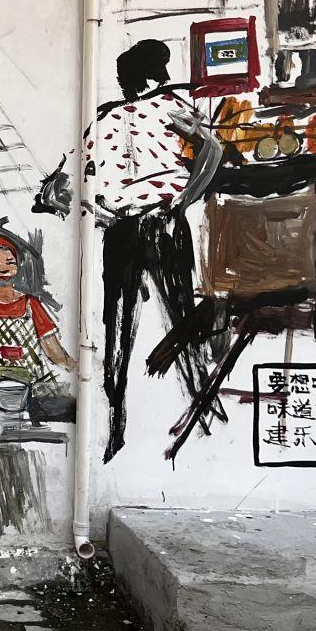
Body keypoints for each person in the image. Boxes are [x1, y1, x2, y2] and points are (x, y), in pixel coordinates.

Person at [82, 40, 221, 462]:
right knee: (147, 319)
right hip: (144, 223)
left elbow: (211, 151)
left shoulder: (130, 113)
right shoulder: (135, 112)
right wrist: (184, 199)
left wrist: (181, 200)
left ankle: (172, 412)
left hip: (140, 223)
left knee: (143, 321)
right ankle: (134, 419)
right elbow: (213, 149)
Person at [0, 234, 74, 391]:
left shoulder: (32, 305)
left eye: (10, 262)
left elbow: (55, 352)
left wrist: (80, 370)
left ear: (17, 265)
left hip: (32, 389)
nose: (3, 268)